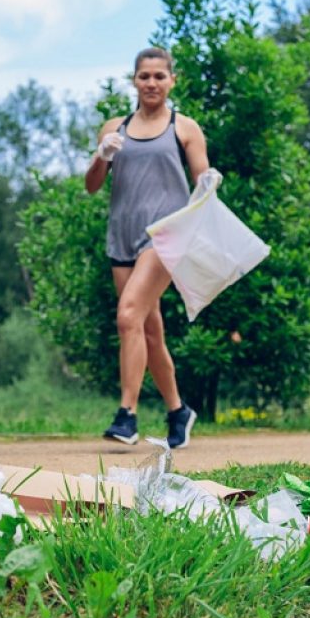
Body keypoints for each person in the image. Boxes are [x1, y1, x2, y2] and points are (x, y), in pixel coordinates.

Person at [85, 47, 210, 448]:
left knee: (127, 317)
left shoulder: (184, 128)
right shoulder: (114, 128)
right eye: (144, 76)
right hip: (121, 236)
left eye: (160, 76)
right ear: (134, 81)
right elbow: (90, 186)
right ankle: (178, 410)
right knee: (148, 329)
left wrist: (209, 183)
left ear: (173, 80)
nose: (152, 83)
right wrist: (101, 157)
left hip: (164, 238)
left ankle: (128, 415)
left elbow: (203, 180)